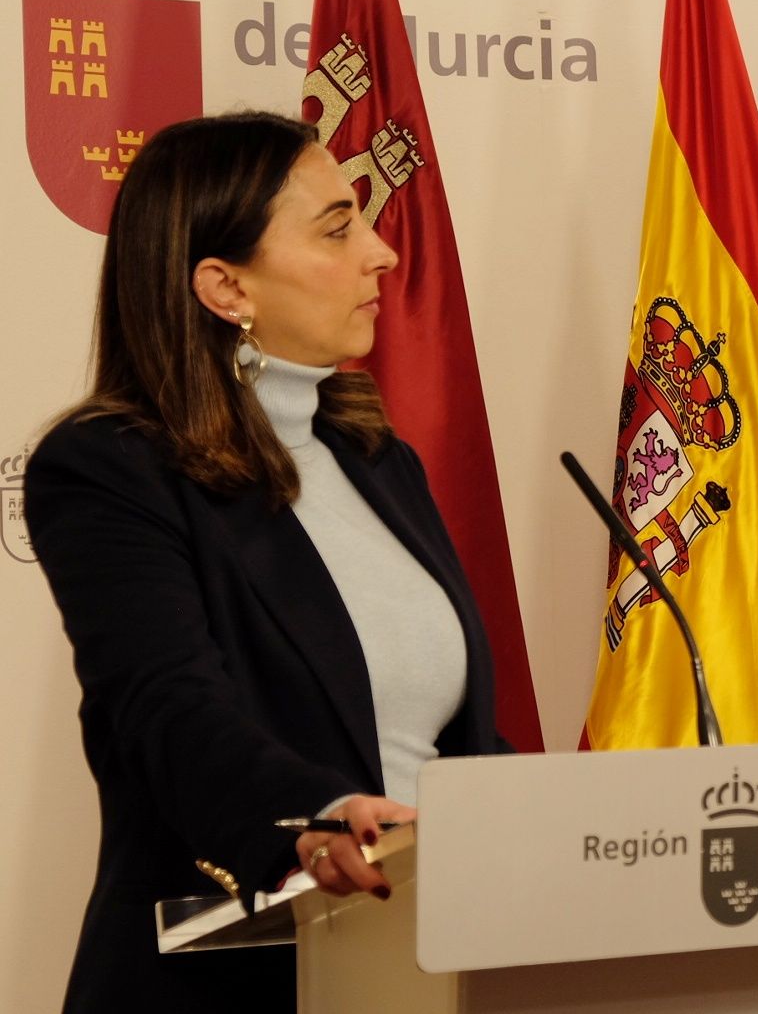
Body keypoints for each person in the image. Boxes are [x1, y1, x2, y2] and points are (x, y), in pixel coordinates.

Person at [26, 111, 505, 1012]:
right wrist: (313, 816)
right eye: (336, 228)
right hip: (227, 978)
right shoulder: (110, 468)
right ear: (223, 285)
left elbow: (448, 743)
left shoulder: (375, 458)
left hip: (422, 969)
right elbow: (167, 709)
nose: (382, 254)